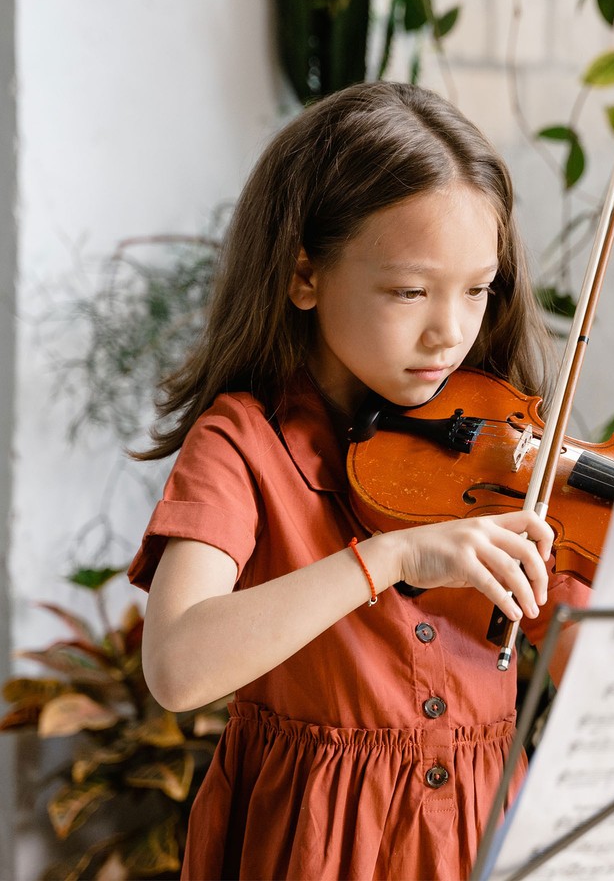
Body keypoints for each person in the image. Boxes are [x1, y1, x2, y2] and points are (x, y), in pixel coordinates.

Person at [128, 81, 590, 880]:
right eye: (409, 291)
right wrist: (394, 559)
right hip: (310, 851)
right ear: (304, 276)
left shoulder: (501, 455)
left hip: (480, 844)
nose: (450, 330)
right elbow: (177, 666)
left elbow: (589, 654)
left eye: (477, 289)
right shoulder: (243, 444)